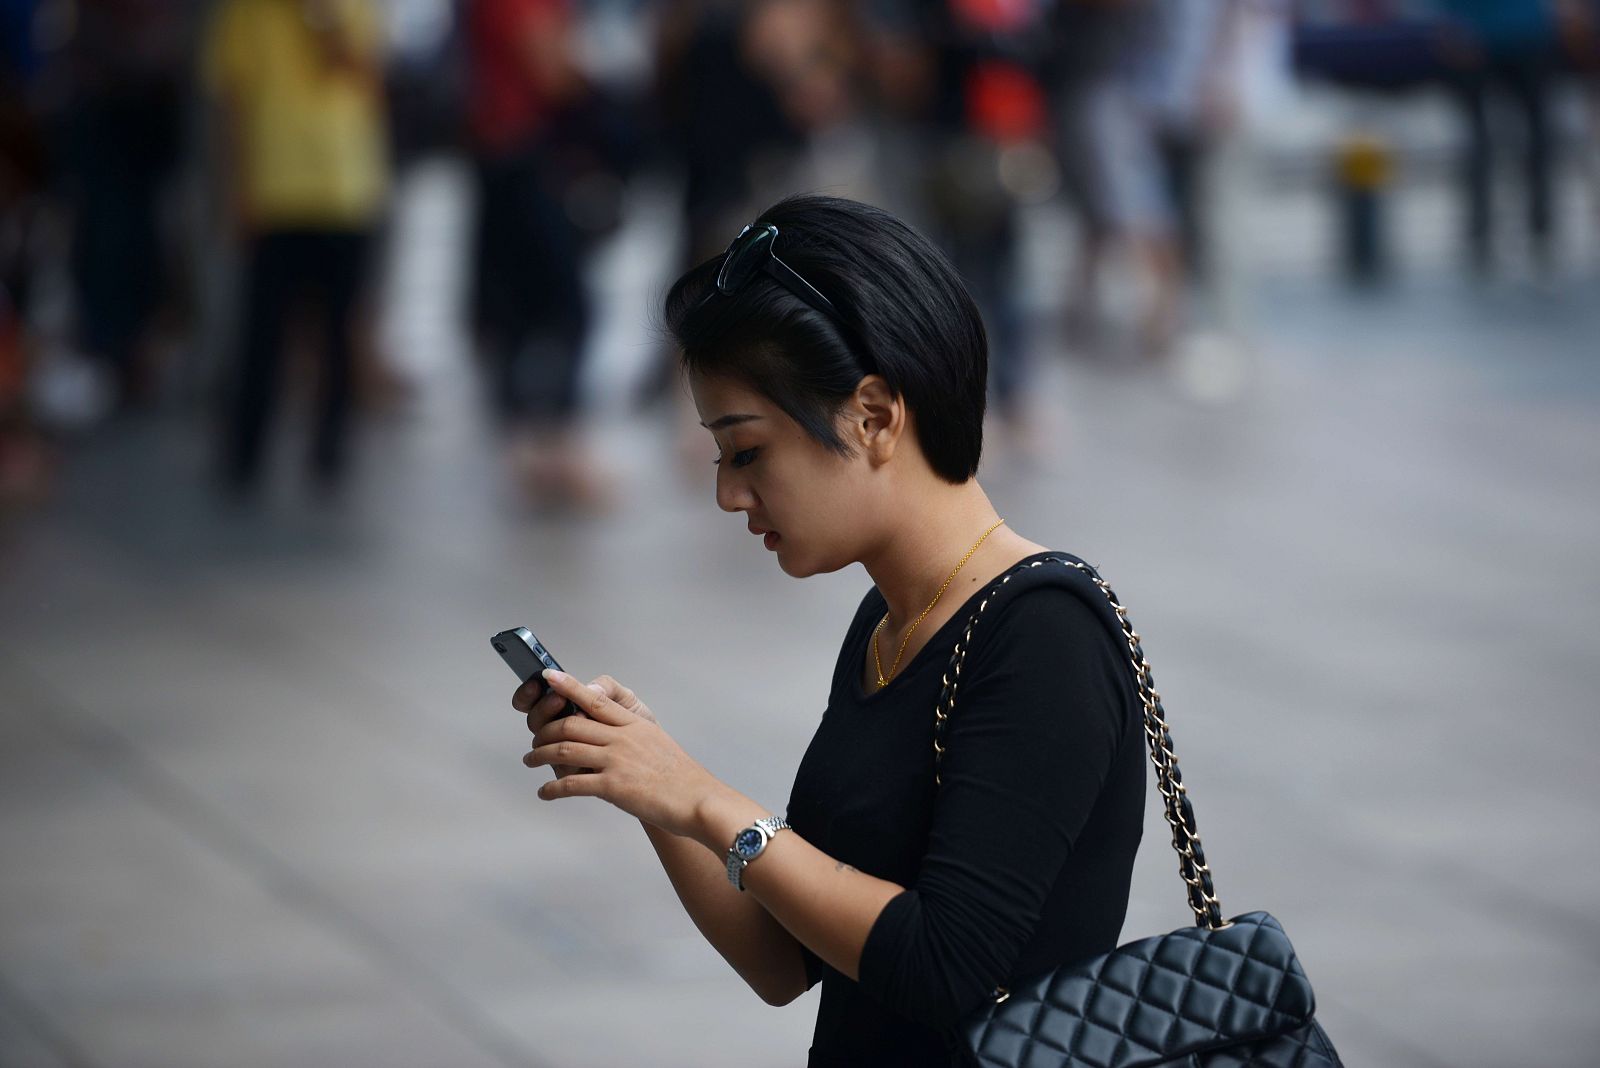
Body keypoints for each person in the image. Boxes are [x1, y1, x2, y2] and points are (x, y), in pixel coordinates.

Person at [509, 195, 1146, 1065]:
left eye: (749, 450)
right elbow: (786, 960)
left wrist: (706, 797)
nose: (729, 495)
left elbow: (944, 967)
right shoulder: (891, 624)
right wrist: (648, 783)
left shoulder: (1046, 638)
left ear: (874, 415)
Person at [204, 0, 389, 494]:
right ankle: (246, 454)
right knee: (261, 334)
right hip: (275, 191)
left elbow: (367, 77)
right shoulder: (246, 12)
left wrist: (323, 17)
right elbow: (233, 102)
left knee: (338, 329)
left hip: (344, 190)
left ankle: (331, 451)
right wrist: (237, 190)